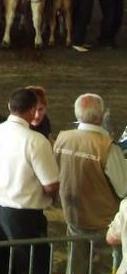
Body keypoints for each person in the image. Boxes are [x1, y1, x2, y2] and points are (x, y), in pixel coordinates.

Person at [0, 87, 59, 274]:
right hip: (26, 214)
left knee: (0, 261)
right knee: (29, 264)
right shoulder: (36, 141)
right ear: (31, 110)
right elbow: (51, 184)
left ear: (9, 106)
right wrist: (51, 197)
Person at [54, 94, 127, 274]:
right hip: (102, 222)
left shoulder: (62, 138)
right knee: (101, 267)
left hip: (73, 215)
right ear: (101, 115)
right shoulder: (107, 147)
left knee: (76, 264)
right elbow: (123, 188)